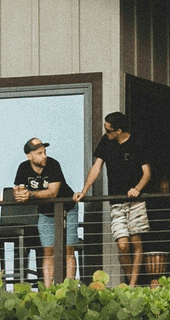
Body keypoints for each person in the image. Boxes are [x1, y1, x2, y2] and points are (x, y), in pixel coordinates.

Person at [77, 112, 151, 285]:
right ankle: (130, 282)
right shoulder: (106, 141)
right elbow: (96, 167)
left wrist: (137, 189)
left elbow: (147, 173)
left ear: (119, 131)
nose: (106, 132)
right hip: (116, 202)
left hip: (135, 201)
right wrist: (84, 190)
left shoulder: (137, 142)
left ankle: (132, 286)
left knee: (136, 242)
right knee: (123, 245)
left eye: (108, 130)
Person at [14, 137, 77, 285]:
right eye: (39, 153)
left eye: (44, 152)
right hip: (46, 212)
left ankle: (70, 288)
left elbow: (53, 192)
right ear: (29, 156)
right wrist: (20, 193)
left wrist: (30, 194)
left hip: (67, 208)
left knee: (68, 249)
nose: (44, 156)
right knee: (48, 251)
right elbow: (17, 188)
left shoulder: (53, 164)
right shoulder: (23, 167)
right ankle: (48, 290)